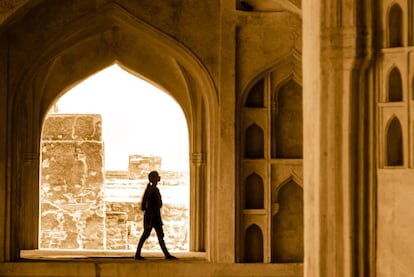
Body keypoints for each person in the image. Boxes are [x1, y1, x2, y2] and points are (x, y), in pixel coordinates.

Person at [135, 171, 177, 260]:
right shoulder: (153, 189)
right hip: (153, 215)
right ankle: (166, 254)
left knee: (152, 235)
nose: (159, 177)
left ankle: (166, 254)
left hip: (152, 215)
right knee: (153, 235)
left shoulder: (150, 189)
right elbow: (155, 203)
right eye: (157, 176)